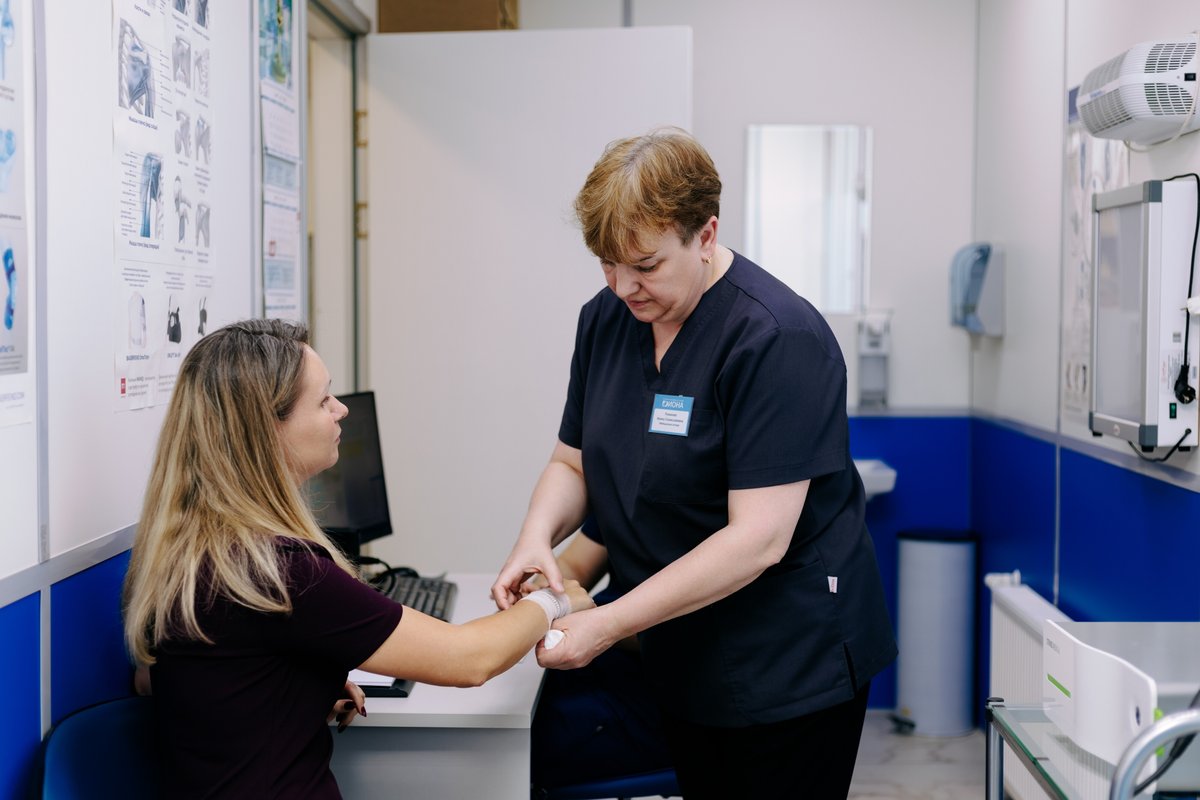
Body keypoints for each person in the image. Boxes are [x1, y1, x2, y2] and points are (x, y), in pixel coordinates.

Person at [492, 128, 896, 798]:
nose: (624, 286)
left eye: (645, 265)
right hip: (680, 646)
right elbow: (574, 463)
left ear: (705, 235)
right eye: (607, 264)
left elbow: (757, 540)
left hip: (786, 663)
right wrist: (536, 539)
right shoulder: (607, 320)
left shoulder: (776, 338)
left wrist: (607, 622)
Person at [122, 318, 593, 799]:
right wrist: (555, 601)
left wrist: (302, 684)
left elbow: (164, 679)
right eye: (323, 400)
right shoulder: (280, 570)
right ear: (267, 429)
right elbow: (469, 660)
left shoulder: (191, 549)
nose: (341, 409)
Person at [526, 518, 672, 795]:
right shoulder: (618, 493)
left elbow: (688, 633)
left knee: (510, 743)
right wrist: (543, 592)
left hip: (664, 693)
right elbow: (575, 565)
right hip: (603, 660)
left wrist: (594, 622)